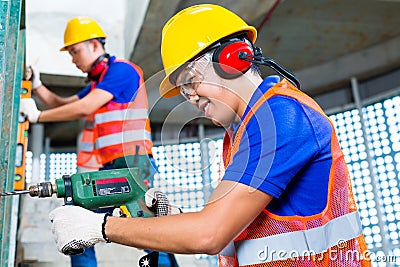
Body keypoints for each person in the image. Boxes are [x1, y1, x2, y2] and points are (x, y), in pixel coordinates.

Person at [48, 5, 371, 267]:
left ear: (233, 59)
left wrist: (100, 227)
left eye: (190, 80)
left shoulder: (281, 117)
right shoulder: (241, 131)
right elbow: (234, 233)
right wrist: (173, 220)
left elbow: (208, 235)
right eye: (181, 88)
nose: (189, 96)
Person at [21, 16, 177, 267]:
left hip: (133, 163)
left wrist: (38, 116)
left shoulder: (122, 71)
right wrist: (37, 86)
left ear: (95, 45)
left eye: (75, 51)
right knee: (78, 221)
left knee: (151, 231)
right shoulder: (100, 82)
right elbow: (63, 104)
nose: (73, 59)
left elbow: (86, 107)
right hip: (113, 166)